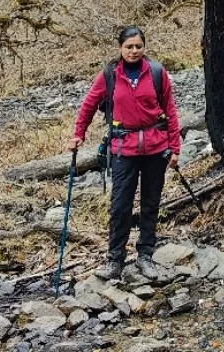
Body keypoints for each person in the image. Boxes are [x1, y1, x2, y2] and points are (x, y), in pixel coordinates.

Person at [71, 26, 182, 280]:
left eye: (138, 46)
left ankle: (145, 256)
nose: (134, 51)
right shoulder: (110, 75)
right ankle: (115, 260)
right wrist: (79, 133)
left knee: (150, 204)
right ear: (120, 48)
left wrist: (175, 147)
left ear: (144, 47)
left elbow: (170, 110)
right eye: (129, 47)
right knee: (120, 205)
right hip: (123, 149)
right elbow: (88, 105)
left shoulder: (156, 72)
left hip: (155, 148)